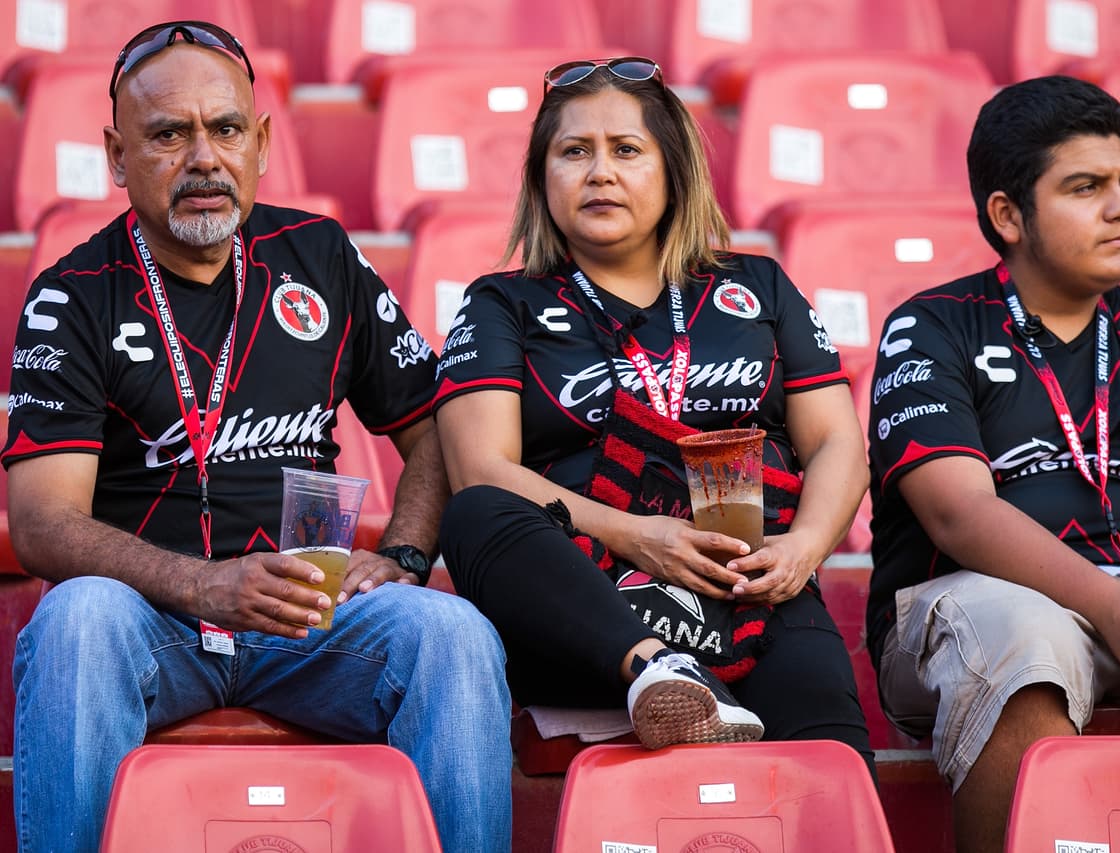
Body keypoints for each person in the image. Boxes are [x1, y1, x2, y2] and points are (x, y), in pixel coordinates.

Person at [3, 22, 511, 853]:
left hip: (309, 618)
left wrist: (410, 556)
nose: (204, 158)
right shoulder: (72, 295)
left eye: (226, 129)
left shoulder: (319, 255)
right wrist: (201, 585)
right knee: (76, 619)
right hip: (152, 619)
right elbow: (40, 523)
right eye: (168, 134)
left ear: (262, 142)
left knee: (452, 634)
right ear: (117, 154)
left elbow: (437, 432)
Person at [865, 74, 1120, 852]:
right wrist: (1111, 607)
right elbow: (958, 512)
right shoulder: (930, 327)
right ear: (1007, 215)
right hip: (975, 603)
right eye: (1086, 187)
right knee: (1031, 636)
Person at [432, 56, 876, 776]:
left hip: (749, 585)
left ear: (673, 172)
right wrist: (643, 537)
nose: (599, 171)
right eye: (574, 151)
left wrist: (800, 552)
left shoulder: (757, 284)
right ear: (542, 179)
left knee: (833, 764)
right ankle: (663, 674)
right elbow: (481, 468)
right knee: (477, 510)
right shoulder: (500, 303)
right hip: (587, 598)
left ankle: (694, 680)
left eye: (626, 150)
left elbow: (838, 446)